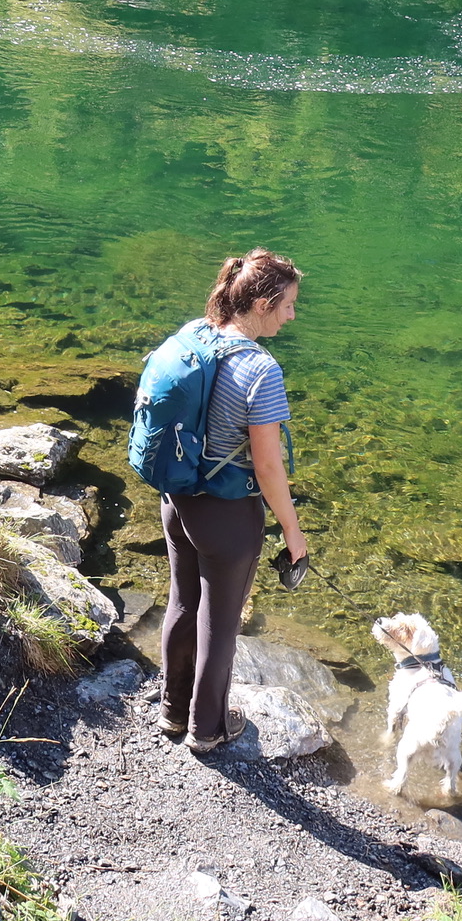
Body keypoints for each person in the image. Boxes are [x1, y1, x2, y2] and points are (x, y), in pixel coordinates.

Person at [160, 248, 310, 753]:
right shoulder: (261, 371)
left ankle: (173, 712)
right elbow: (268, 468)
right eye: (288, 304)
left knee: (182, 601)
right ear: (264, 303)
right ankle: (208, 730)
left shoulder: (196, 334)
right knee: (221, 623)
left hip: (177, 495)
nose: (292, 315)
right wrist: (293, 533)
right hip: (225, 514)